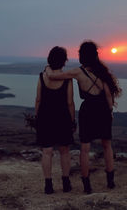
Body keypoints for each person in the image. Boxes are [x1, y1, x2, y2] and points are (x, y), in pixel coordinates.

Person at [46, 41, 122, 194]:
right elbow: (108, 95)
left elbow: (55, 76)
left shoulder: (78, 72)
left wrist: (47, 70)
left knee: (85, 149)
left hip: (88, 112)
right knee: (107, 146)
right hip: (103, 111)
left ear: (82, 56)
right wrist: (110, 112)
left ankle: (87, 185)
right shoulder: (102, 72)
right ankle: (110, 181)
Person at [35, 46, 75, 194]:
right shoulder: (67, 79)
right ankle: (66, 183)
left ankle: (48, 185)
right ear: (64, 61)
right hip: (62, 117)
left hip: (45, 117)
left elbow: (38, 99)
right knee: (64, 151)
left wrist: (37, 117)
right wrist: (72, 121)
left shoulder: (42, 76)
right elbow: (70, 102)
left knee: (47, 152)